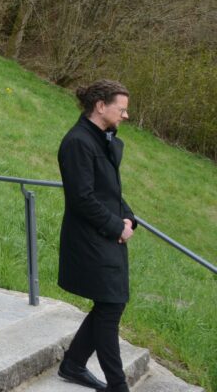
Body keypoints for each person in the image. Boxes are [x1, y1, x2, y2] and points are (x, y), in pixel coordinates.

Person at [56, 80, 137, 392]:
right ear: (100, 106)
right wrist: (117, 226)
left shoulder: (101, 139)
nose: (125, 116)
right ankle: (117, 385)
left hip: (105, 234)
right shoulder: (78, 142)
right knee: (111, 305)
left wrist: (128, 217)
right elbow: (82, 198)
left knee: (110, 303)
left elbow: (109, 191)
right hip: (90, 238)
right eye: (122, 109)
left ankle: (74, 364)